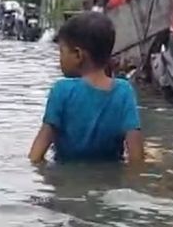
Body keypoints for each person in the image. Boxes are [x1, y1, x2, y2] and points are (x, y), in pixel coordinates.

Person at [29, 12, 144, 164]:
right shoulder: (124, 91)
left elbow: (36, 156)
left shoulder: (61, 90)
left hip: (66, 182)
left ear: (78, 55)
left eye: (61, 51)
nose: (60, 59)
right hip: (109, 183)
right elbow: (136, 159)